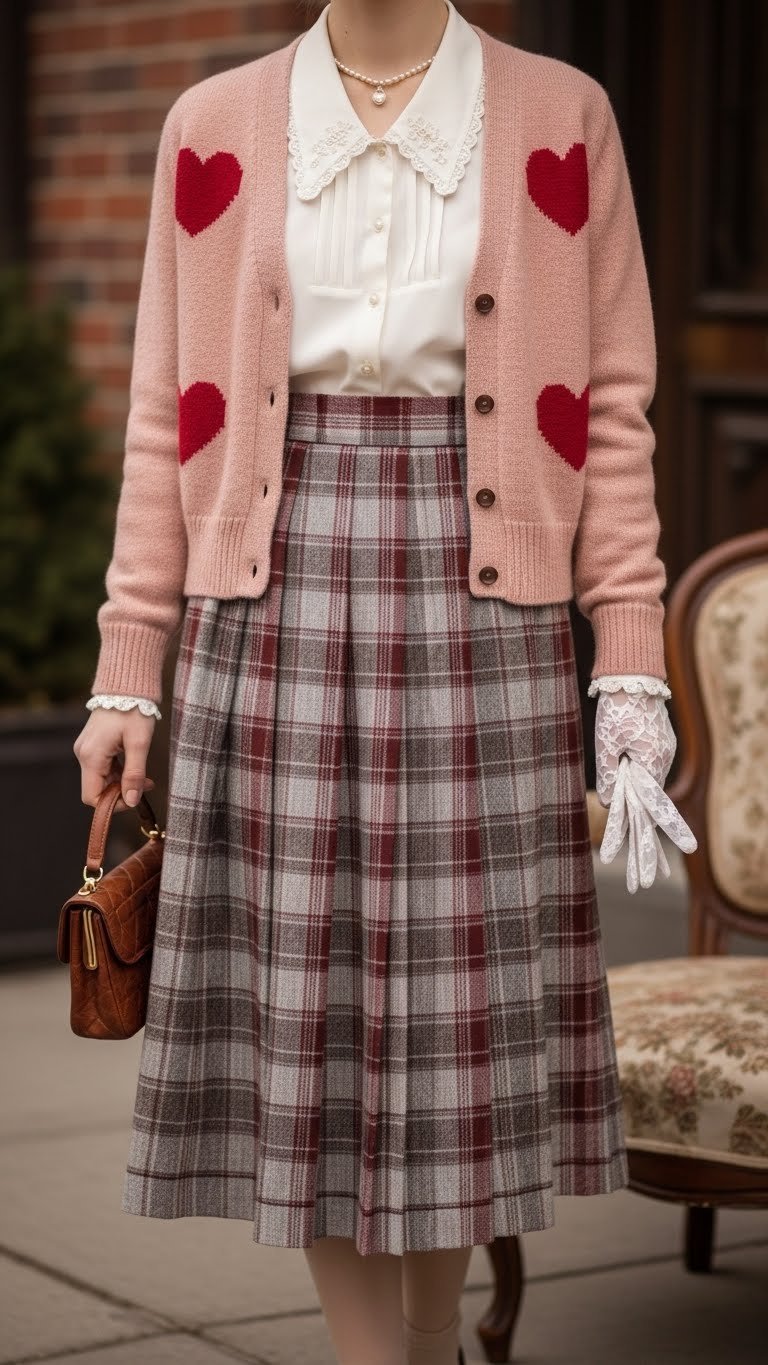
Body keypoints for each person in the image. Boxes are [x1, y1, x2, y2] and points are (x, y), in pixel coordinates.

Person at [73, 2, 695, 1361]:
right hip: (272, 600)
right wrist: (132, 670)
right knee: (317, 1026)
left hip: (486, 608)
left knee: (453, 1038)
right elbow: (158, 406)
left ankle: (425, 1334)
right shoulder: (213, 126)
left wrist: (627, 665)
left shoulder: (562, 114)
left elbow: (613, 410)